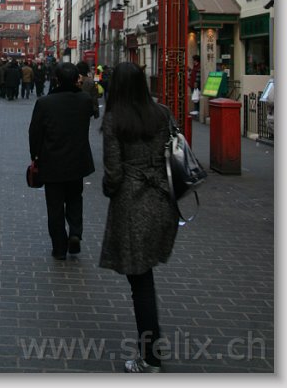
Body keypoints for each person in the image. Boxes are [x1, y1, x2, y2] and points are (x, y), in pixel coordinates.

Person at [99, 62, 179, 373]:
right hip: (162, 200)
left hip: (132, 204)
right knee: (145, 275)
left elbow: (113, 171)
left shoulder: (114, 118)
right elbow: (174, 151)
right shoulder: (162, 113)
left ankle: (151, 357)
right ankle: (151, 351)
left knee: (140, 281)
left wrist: (110, 189)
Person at [28, 62, 95, 260]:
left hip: (52, 161)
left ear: (56, 79)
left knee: (54, 205)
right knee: (75, 198)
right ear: (77, 79)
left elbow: (35, 132)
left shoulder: (45, 103)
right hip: (78, 159)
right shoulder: (84, 100)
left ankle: (59, 247)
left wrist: (35, 156)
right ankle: (75, 232)